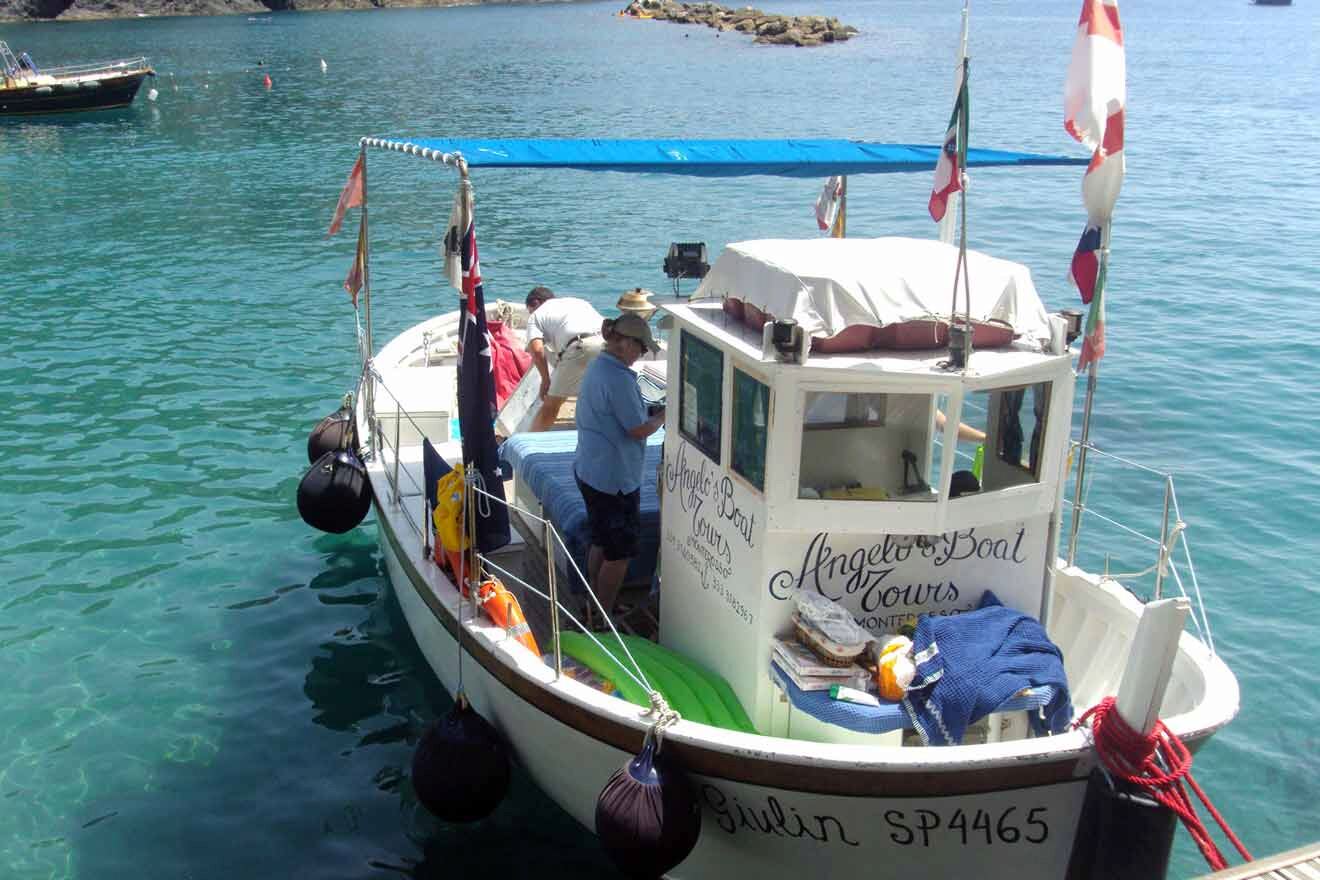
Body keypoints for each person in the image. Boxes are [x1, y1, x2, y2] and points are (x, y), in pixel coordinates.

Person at [574, 313, 665, 622]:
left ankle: (594, 605)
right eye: (641, 348)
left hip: (590, 470)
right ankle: (603, 616)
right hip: (614, 480)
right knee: (620, 554)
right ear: (626, 343)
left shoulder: (599, 366)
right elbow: (638, 429)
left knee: (600, 541)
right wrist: (665, 414)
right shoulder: (619, 378)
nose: (641, 355)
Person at [524, 287, 606, 431]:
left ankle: (528, 443)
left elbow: (537, 350)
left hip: (580, 347)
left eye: (530, 310)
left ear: (536, 303)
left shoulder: (536, 315)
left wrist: (545, 380)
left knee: (551, 406)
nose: (531, 314)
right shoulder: (578, 302)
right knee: (600, 397)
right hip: (608, 344)